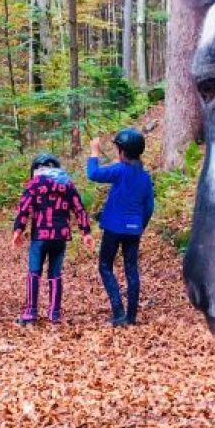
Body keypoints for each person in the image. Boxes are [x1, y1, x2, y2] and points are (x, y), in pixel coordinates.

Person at [12, 154, 94, 325]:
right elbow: (79, 208)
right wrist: (86, 232)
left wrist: (18, 230)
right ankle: (54, 313)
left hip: (40, 235)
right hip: (60, 236)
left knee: (34, 272)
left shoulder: (34, 183)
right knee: (55, 274)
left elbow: (24, 208)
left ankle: (31, 312)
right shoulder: (66, 183)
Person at [87, 129, 154, 326]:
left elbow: (93, 174)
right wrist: (140, 226)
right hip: (134, 229)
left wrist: (94, 152)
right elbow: (149, 207)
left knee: (105, 266)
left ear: (122, 151)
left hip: (114, 228)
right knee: (131, 269)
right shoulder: (144, 176)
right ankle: (131, 317)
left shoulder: (119, 170)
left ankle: (118, 313)